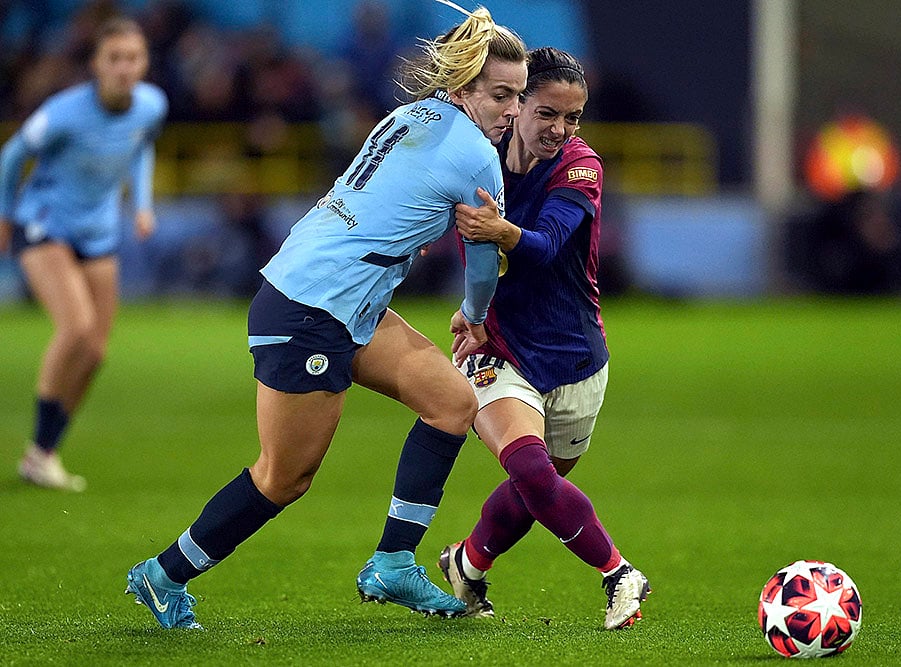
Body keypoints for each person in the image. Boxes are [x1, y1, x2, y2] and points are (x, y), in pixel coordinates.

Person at [124, 5, 527, 630]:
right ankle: (164, 573)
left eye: (517, 97)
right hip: (313, 308)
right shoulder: (475, 155)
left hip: (338, 298)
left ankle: (393, 560)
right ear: (462, 86)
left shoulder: (411, 116)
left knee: (451, 401)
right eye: (500, 95)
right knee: (284, 477)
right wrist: (474, 318)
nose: (511, 111)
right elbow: (480, 262)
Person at [436, 47, 650, 630]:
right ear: (517, 103)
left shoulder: (581, 166)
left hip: (577, 358)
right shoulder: (477, 161)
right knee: (532, 471)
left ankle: (468, 562)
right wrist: (471, 309)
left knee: (539, 487)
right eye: (548, 113)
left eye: (573, 117)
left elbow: (548, 245)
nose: (560, 129)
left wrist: (502, 230)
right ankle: (620, 574)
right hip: (498, 349)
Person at [0, 17, 167, 492]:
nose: (123, 68)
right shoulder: (63, 113)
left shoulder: (152, 104)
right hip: (44, 223)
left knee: (95, 351)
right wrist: (4, 215)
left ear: (144, 63)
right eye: (114, 58)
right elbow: (12, 156)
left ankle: (42, 455)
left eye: (132, 58)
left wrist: (143, 203)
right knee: (75, 329)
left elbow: (142, 147)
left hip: (97, 232)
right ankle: (38, 449)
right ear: (96, 64)